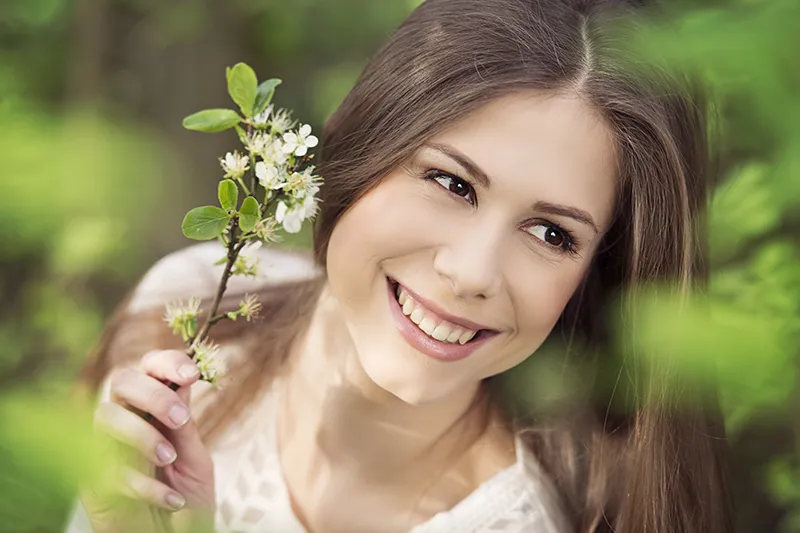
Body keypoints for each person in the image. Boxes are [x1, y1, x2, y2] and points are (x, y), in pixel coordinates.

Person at [65, 0, 734, 531]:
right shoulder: (185, 309)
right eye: (452, 183)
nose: (472, 271)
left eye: (550, 232)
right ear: (359, 140)